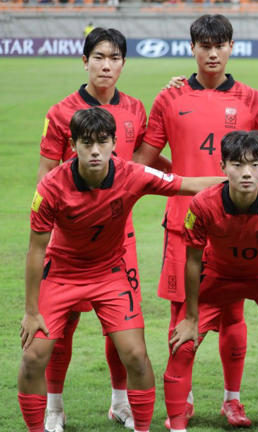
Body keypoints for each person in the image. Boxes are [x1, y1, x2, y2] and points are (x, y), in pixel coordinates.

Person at [18, 107, 223, 432]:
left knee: (136, 356)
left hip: (110, 274)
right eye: (87, 143)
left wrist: (250, 182)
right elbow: (35, 251)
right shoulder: (51, 187)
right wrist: (31, 312)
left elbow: (186, 184)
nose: (95, 151)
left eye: (102, 142)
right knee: (32, 358)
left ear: (114, 143)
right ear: (73, 144)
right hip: (61, 274)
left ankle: (141, 427)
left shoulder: (132, 174)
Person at [133, 14, 258, 427]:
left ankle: (232, 401)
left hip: (234, 229)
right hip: (182, 225)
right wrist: (180, 178)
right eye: (205, 46)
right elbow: (142, 162)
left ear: (231, 47)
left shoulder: (252, 99)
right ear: (192, 49)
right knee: (182, 315)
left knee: (233, 315)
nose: (212, 53)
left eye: (220, 45)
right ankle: (183, 400)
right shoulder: (170, 98)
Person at [163, 130, 258, 432]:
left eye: (255, 164)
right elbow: (193, 261)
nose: (247, 173)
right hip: (217, 275)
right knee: (183, 345)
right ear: (222, 166)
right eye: (237, 165)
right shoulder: (202, 204)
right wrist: (191, 318)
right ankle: (178, 426)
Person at [36, 27, 146, 432]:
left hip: (120, 240)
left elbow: (144, 166)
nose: (106, 65)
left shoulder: (135, 109)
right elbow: (46, 174)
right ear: (85, 61)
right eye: (98, 57)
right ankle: (54, 408)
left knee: (121, 329)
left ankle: (120, 403)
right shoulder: (61, 112)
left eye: (114, 58)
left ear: (123, 63)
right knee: (61, 328)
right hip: (69, 242)